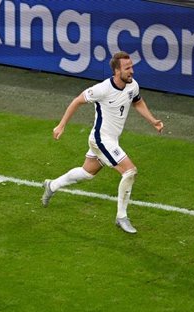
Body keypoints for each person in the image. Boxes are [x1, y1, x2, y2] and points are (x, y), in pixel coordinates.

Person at [41, 51, 164, 234]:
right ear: (116, 71)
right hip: (101, 139)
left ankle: (51, 185)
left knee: (87, 173)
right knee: (130, 172)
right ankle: (121, 217)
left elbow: (137, 102)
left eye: (131, 66)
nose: (132, 71)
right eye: (127, 68)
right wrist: (61, 125)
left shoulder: (133, 86)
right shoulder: (102, 89)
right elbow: (77, 101)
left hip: (111, 139)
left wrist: (152, 121)